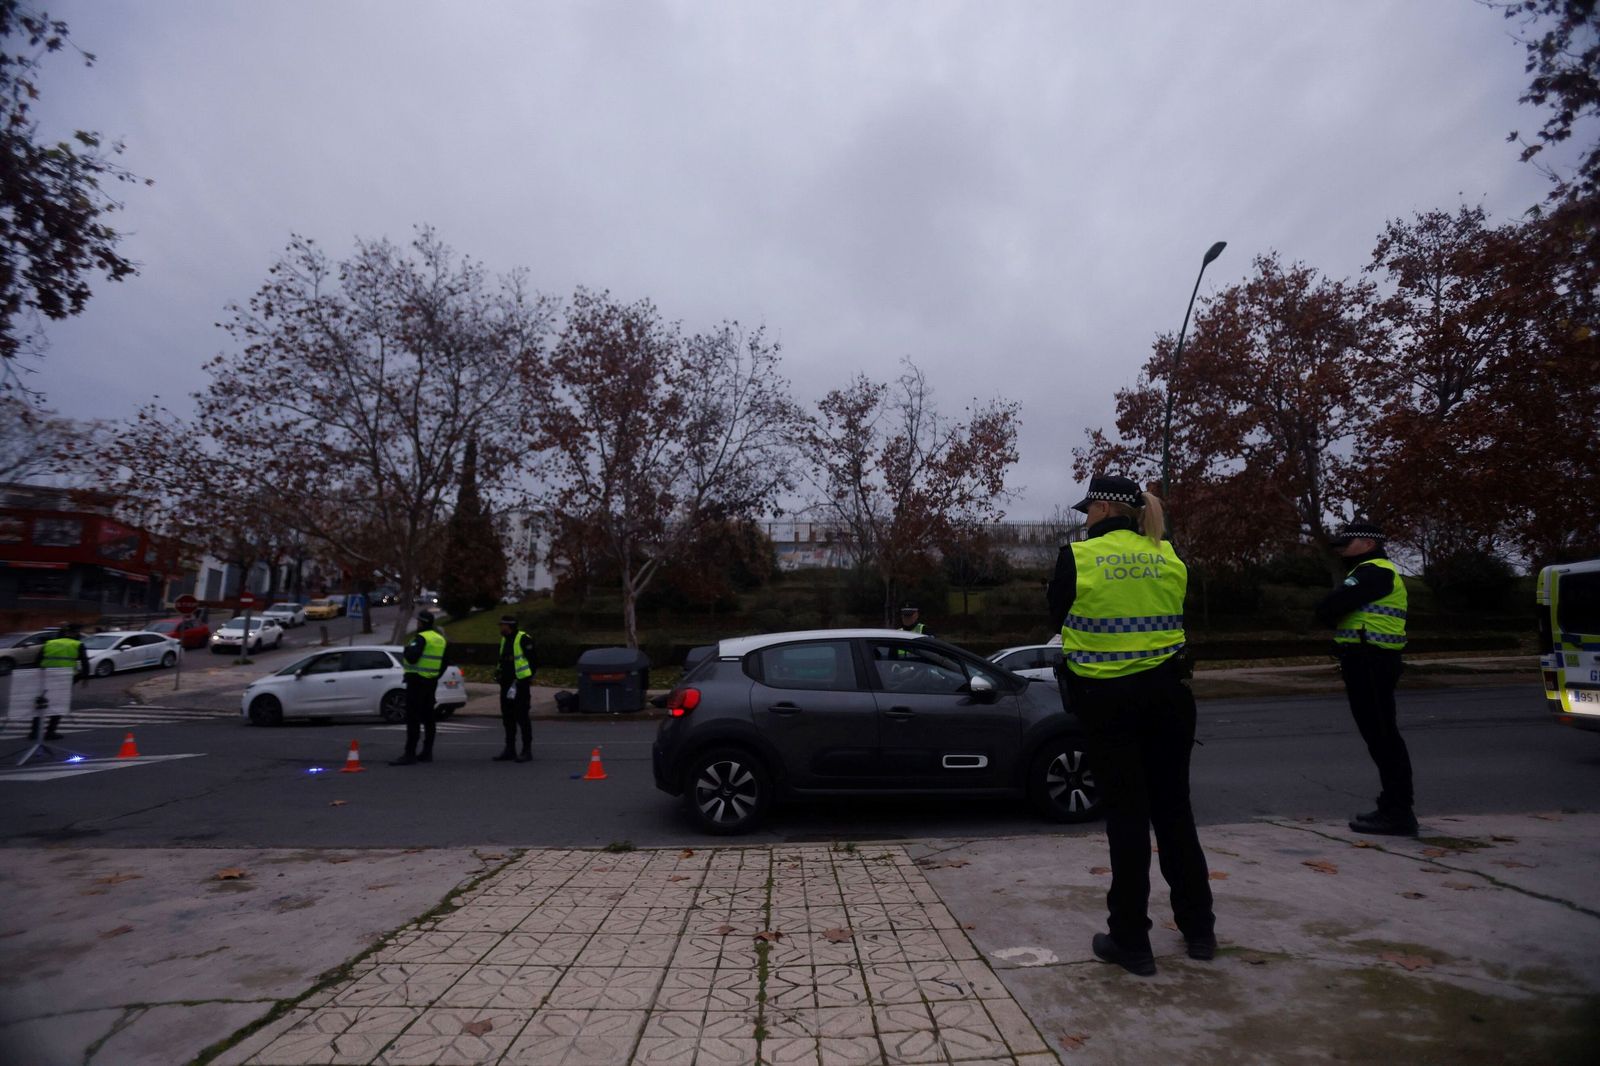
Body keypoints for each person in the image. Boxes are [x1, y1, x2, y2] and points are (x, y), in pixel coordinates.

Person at [1046, 474, 1214, 977]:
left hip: (1108, 702)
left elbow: (1058, 617)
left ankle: (1131, 943)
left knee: (1127, 819)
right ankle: (1200, 931)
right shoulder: (1169, 555)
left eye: (1087, 510)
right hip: (1170, 700)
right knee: (1175, 814)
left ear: (1100, 509)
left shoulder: (1078, 557)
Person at [1313, 521, 1416, 836]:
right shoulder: (1372, 572)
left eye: (1348, 541)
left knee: (1383, 737)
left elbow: (1328, 608)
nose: (1342, 547)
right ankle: (1393, 807)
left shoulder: (1375, 571)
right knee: (1380, 737)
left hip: (1371, 660)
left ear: (1369, 544)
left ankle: (1398, 812)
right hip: (1368, 660)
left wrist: (1332, 610)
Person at [391, 610, 447, 766]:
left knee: (413, 719)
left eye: (418, 622)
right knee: (429, 719)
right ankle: (427, 752)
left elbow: (412, 657)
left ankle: (410, 754)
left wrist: (406, 649)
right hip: (430, 683)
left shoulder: (421, 638)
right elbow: (445, 661)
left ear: (421, 623)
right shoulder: (440, 639)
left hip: (416, 683)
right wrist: (434, 675)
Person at [29, 622, 89, 740]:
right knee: (58, 705)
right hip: (64, 679)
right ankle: (50, 731)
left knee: (41, 704)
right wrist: (84, 677)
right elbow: (85, 663)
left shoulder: (49, 643)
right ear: (75, 634)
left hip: (45, 678)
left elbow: (37, 661)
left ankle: (34, 732)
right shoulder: (77, 644)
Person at [494, 615, 536, 763]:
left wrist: (527, 678)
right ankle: (510, 749)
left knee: (522, 717)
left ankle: (526, 750)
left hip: (520, 684)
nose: (500, 627)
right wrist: (498, 672)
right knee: (508, 718)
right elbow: (502, 659)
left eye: (502, 625)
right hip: (506, 685)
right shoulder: (504, 639)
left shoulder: (523, 638)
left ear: (509, 626)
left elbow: (533, 660)